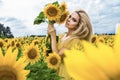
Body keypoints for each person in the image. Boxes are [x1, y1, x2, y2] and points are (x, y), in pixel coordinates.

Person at [48, 9, 93, 80]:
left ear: (78, 26)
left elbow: (56, 57)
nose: (69, 19)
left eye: (74, 20)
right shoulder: (62, 36)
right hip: (58, 73)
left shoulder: (76, 41)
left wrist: (53, 36)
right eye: (70, 17)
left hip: (67, 75)